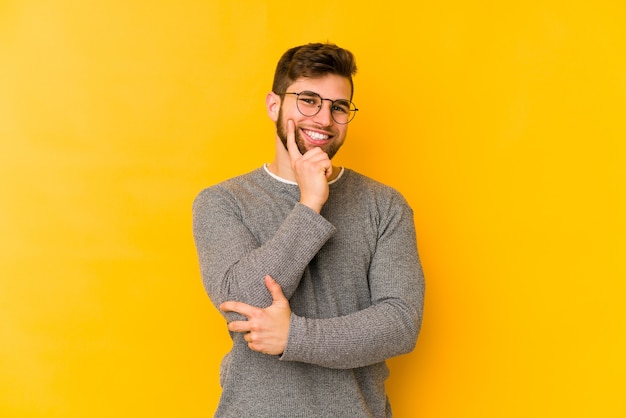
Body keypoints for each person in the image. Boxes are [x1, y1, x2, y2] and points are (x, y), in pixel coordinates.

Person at [192, 42, 425, 418]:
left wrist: (295, 337)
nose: (324, 119)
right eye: (308, 100)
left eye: (338, 107)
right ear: (274, 105)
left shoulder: (385, 205)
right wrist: (310, 203)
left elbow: (399, 323)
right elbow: (243, 302)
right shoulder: (222, 202)